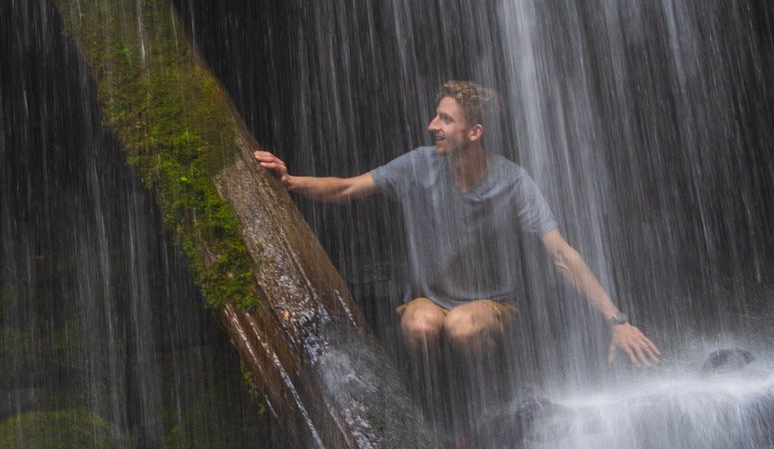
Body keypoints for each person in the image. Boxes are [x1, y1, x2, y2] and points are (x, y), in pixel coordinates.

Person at [254, 77, 658, 367]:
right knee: (420, 324)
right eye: (436, 117)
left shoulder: (513, 181)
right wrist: (291, 181)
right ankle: (436, 414)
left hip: (490, 304)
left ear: (475, 131)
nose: (433, 126)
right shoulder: (417, 165)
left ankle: (493, 401)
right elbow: (345, 188)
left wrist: (616, 320)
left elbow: (561, 253)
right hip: (432, 299)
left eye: (445, 119)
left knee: (463, 326)